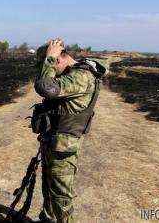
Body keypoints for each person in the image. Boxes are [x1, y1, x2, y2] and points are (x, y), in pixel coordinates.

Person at [33, 39, 107, 223]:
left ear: (59, 59)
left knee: (61, 197)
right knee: (49, 189)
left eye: (51, 63)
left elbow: (46, 87)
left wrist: (49, 58)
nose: (49, 69)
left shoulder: (81, 76)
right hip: (55, 142)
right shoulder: (74, 74)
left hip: (63, 148)